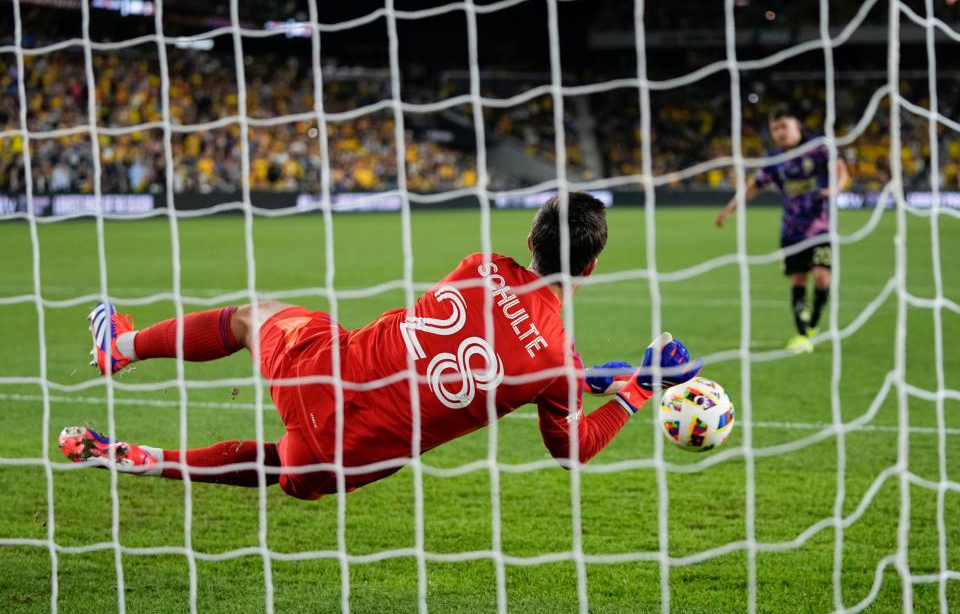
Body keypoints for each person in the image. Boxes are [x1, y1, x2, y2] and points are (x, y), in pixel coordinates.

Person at [60, 192, 703, 499]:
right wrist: (635, 390)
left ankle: (123, 347)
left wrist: (588, 377)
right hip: (350, 460)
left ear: (529, 242)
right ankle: (148, 457)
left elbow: (497, 334)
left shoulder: (478, 265)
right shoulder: (555, 367)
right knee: (286, 463)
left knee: (252, 317)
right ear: (590, 270)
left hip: (323, 374)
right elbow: (573, 448)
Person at [715, 107, 849, 353]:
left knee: (822, 278)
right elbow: (753, 186)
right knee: (798, 278)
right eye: (774, 128)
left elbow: (840, 167)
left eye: (783, 126)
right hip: (791, 230)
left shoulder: (818, 148)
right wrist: (728, 210)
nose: (779, 132)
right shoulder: (774, 160)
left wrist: (837, 188)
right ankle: (801, 333)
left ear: (797, 125)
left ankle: (814, 321)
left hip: (821, 228)